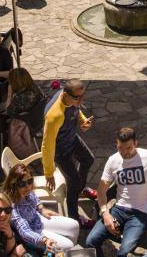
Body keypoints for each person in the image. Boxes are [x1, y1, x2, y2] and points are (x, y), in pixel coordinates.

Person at [87, 127, 147, 257]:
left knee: (123, 252)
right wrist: (105, 214)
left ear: (136, 143)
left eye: (128, 148)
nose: (124, 152)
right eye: (120, 148)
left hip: (140, 214)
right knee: (91, 241)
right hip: (119, 209)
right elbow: (101, 190)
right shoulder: (113, 160)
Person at [42, 79, 96, 226]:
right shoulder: (55, 116)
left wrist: (83, 121)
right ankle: (74, 217)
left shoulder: (71, 100)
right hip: (60, 151)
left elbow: (76, 110)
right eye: (78, 97)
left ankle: (81, 189)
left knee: (88, 159)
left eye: (83, 96)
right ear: (65, 95)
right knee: (74, 182)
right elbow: (47, 145)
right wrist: (49, 173)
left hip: (71, 138)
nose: (81, 100)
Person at [1, 163, 80, 252]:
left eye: (30, 181)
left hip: (38, 219)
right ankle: (63, 252)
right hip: (34, 232)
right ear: (14, 185)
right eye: (22, 184)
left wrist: (41, 208)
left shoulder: (26, 191)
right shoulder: (14, 209)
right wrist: (44, 240)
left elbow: (34, 197)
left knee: (75, 225)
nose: (27, 186)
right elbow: (25, 232)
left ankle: (65, 252)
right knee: (68, 245)